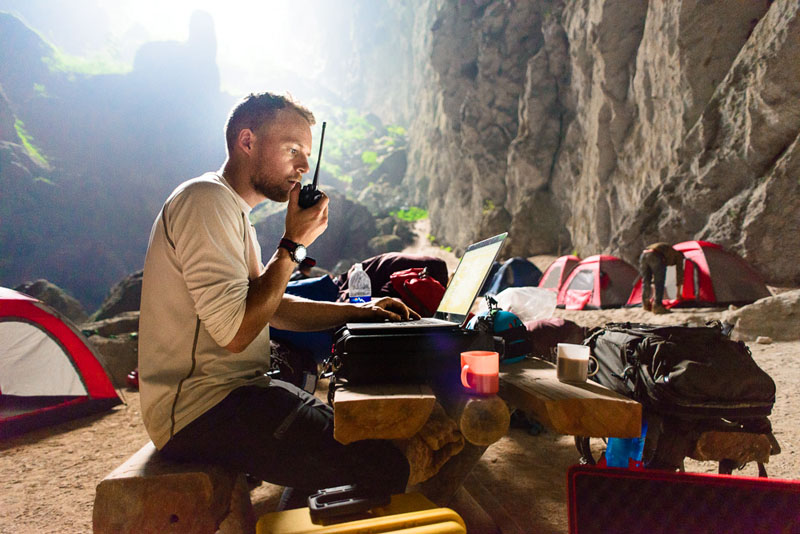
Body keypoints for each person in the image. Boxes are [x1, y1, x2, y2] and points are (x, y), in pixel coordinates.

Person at [138, 92, 419, 509]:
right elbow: (236, 332)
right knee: (387, 463)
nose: (304, 167)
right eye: (292, 150)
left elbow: (270, 306)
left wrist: (360, 311)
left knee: (357, 439)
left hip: (239, 395)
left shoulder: (231, 212)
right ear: (247, 142)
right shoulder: (204, 200)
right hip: (204, 412)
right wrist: (292, 245)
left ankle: (299, 505)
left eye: (307, 154)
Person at [639, 242, 684, 314]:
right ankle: (657, 306)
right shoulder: (679, 256)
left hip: (644, 254)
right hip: (655, 256)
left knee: (646, 281)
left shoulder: (669, 250)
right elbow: (679, 273)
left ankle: (646, 304)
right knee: (659, 282)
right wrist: (678, 293)